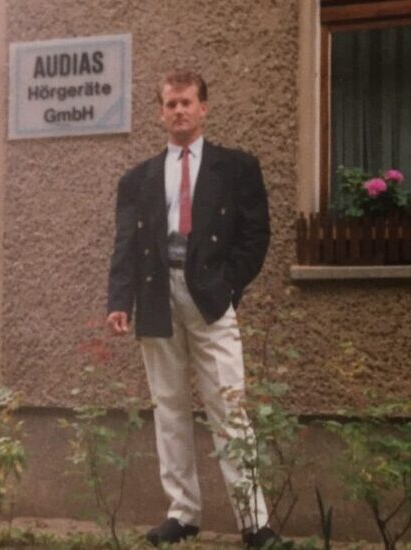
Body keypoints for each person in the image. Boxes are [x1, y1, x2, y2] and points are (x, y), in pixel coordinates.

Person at [105, 70, 276, 549]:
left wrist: (226, 286)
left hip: (209, 298)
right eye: (170, 103)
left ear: (204, 108)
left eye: (187, 102)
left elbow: (256, 236)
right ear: (160, 112)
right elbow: (125, 243)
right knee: (169, 406)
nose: (179, 110)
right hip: (157, 295)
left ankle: (254, 521)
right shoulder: (137, 178)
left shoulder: (237, 167)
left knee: (229, 404)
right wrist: (120, 300)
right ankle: (182, 513)